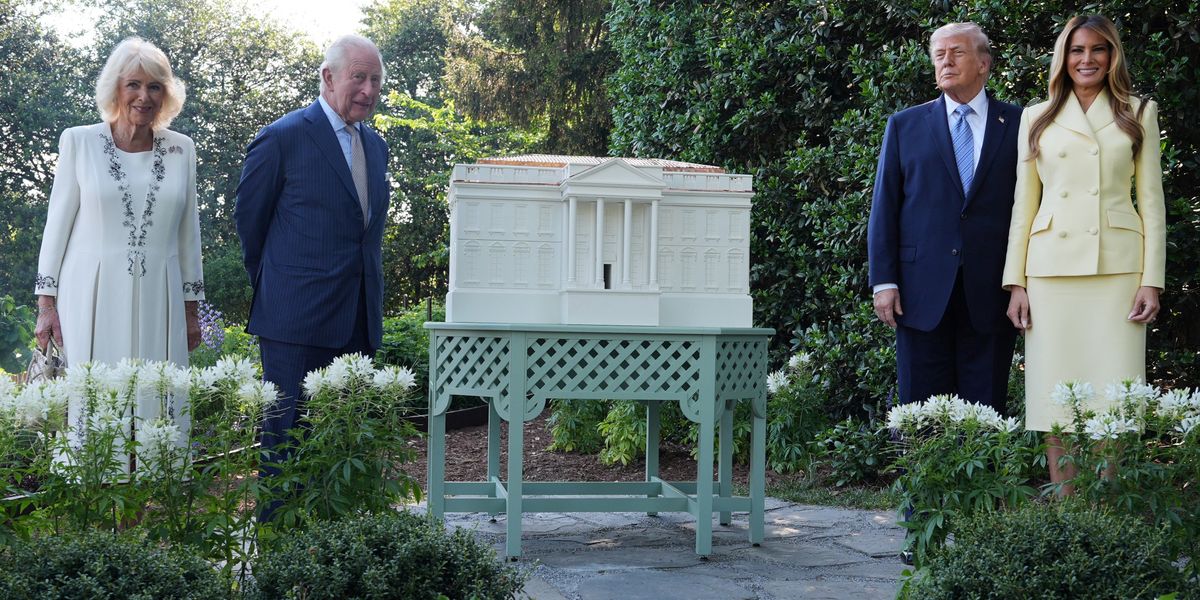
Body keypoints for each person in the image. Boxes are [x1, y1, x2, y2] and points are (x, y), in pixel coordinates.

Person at [1002, 15, 1165, 490]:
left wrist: (1150, 279)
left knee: (1113, 404)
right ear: (1063, 58)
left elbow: (1152, 201)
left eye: (1098, 49)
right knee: (1056, 400)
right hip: (1050, 272)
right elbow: (1023, 204)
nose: (1087, 59)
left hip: (1117, 270)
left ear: (1112, 56)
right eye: (1077, 50)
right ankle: (1069, 513)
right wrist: (1017, 282)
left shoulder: (1138, 110)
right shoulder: (1037, 115)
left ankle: (1106, 518)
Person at [235, 34, 389, 518]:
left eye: (375, 80)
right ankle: (279, 563)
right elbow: (250, 224)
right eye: (358, 77)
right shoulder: (282, 137)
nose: (367, 90)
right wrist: (284, 287)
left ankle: (336, 558)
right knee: (286, 446)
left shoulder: (377, 147)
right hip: (293, 325)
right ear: (327, 77)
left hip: (358, 322)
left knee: (344, 448)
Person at [34, 37, 203, 451]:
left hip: (160, 297)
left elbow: (188, 234)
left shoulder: (183, 149)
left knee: (155, 405)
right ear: (116, 88)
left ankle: (146, 502)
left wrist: (192, 309)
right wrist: (46, 304)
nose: (144, 96)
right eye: (134, 85)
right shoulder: (79, 142)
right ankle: (94, 503)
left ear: (167, 94)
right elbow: (56, 225)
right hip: (88, 296)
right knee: (91, 406)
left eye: (155, 87)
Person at [868, 23, 1021, 412]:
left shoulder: (1021, 124)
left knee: (984, 413)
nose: (946, 62)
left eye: (957, 52)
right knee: (921, 414)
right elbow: (885, 207)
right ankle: (924, 475)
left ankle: (979, 476)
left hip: (993, 290)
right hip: (919, 293)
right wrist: (883, 281)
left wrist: (1023, 281)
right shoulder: (904, 125)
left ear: (984, 63)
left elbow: (1031, 207)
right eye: (939, 55)